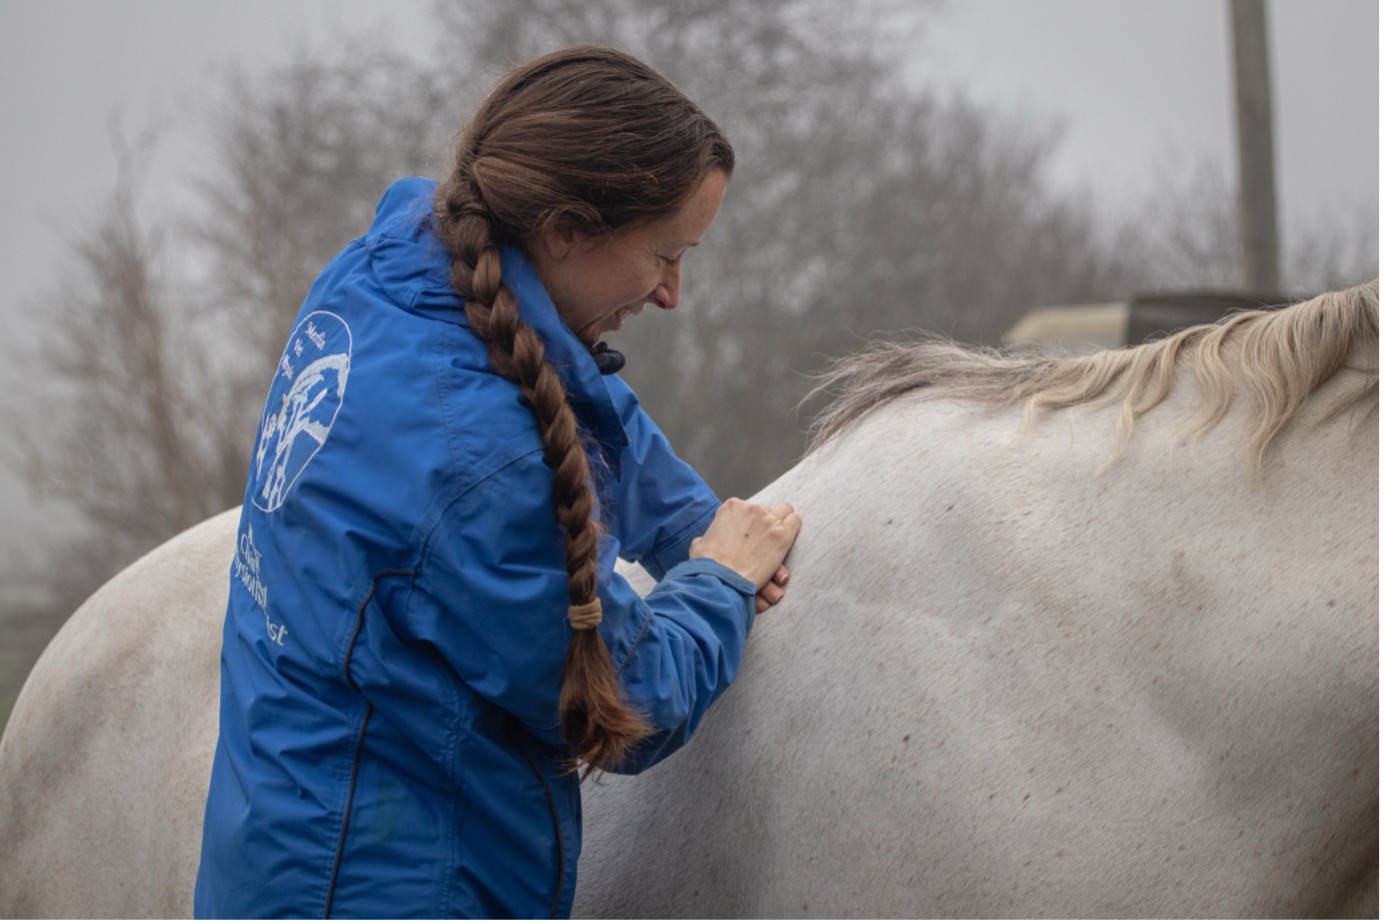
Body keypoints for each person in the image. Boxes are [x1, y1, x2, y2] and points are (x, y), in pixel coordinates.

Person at [193, 45, 801, 919]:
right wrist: (719, 581)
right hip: (386, 891)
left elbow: (570, 395)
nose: (674, 293)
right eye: (665, 254)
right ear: (563, 229)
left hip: (271, 845)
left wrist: (694, 522)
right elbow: (626, 700)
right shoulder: (483, 467)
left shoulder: (383, 275)